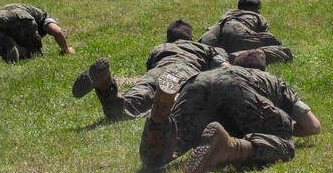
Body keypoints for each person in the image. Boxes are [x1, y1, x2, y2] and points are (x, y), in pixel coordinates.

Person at [138, 59, 321, 173]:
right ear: (261, 68)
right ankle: (231, 147)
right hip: (236, 89)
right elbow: (313, 127)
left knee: (157, 158)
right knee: (285, 144)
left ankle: (158, 116)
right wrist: (280, 131)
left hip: (198, 82)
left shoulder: (229, 70)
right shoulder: (272, 81)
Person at [72, 20, 231, 121]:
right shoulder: (203, 47)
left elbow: (150, 67)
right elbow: (225, 68)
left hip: (157, 71)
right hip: (184, 71)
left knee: (142, 91)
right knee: (173, 101)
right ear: (190, 38)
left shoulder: (160, 48)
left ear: (169, 38)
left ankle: (107, 86)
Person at [0, 3, 75, 66]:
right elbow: (57, 31)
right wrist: (66, 49)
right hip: (22, 19)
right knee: (35, 53)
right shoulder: (43, 16)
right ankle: (19, 50)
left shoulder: (24, 6)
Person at [197, 0, 293, 64]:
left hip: (211, 35)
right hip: (237, 32)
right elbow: (268, 39)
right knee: (284, 51)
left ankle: (217, 57)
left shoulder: (228, 14)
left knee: (207, 53)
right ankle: (238, 56)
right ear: (258, 10)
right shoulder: (257, 16)